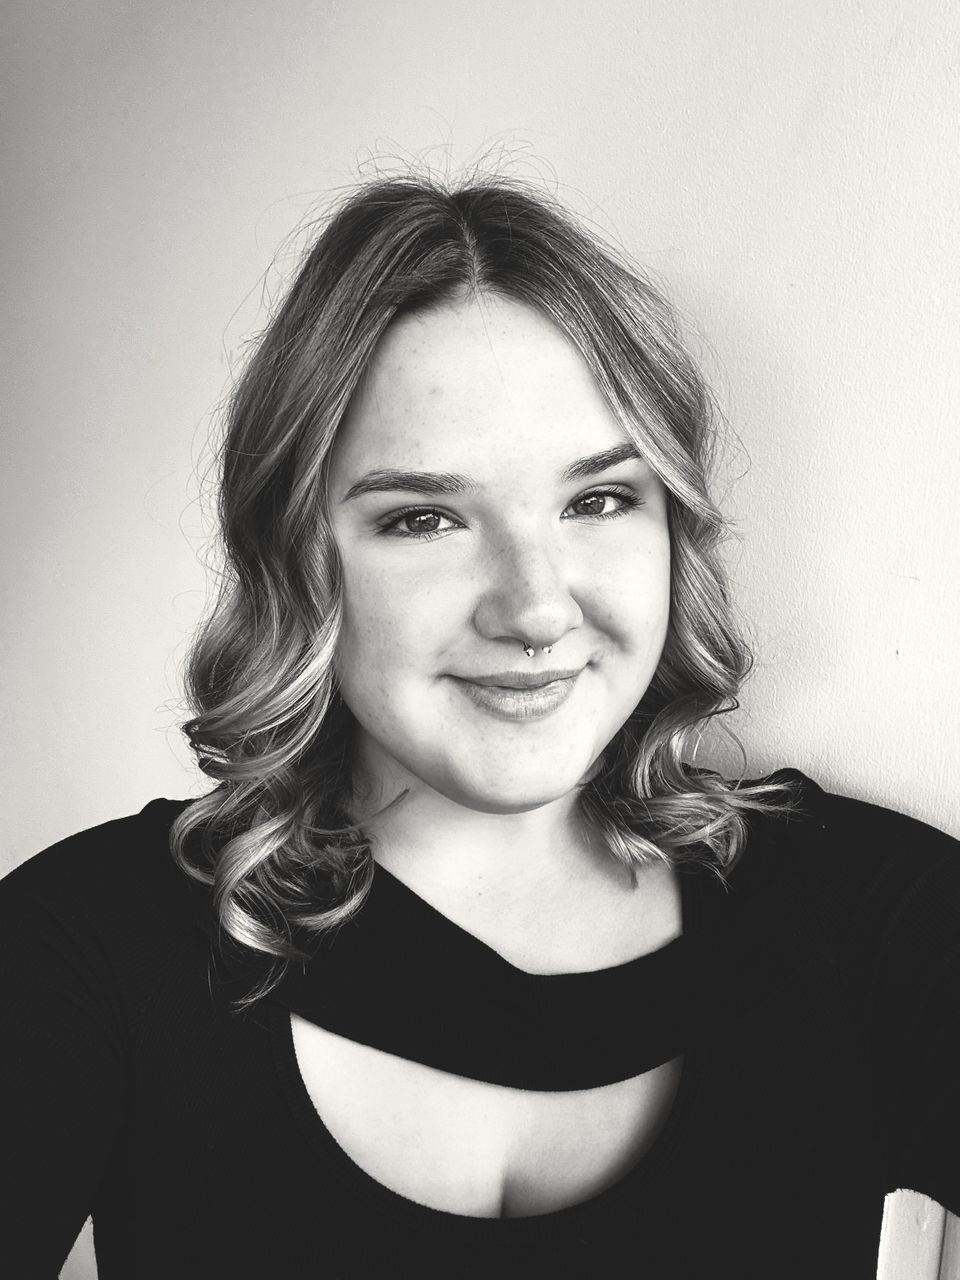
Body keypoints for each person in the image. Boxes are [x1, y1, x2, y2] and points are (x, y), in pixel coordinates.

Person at [2, 173, 957, 1280]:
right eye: (425, 518)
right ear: (297, 556)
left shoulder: (878, 919)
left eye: (598, 500)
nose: (537, 608)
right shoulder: (83, 947)